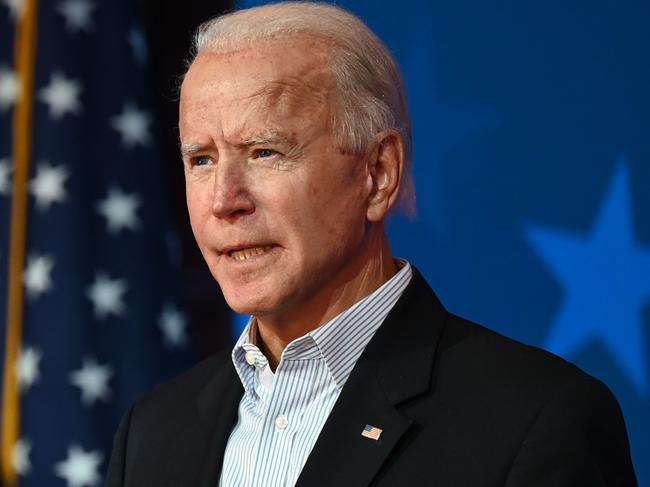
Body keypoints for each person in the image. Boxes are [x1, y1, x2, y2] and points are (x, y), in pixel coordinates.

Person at [105, 2, 637, 486]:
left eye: (265, 152)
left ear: (378, 173)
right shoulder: (153, 433)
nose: (224, 200)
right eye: (201, 159)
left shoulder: (537, 420)